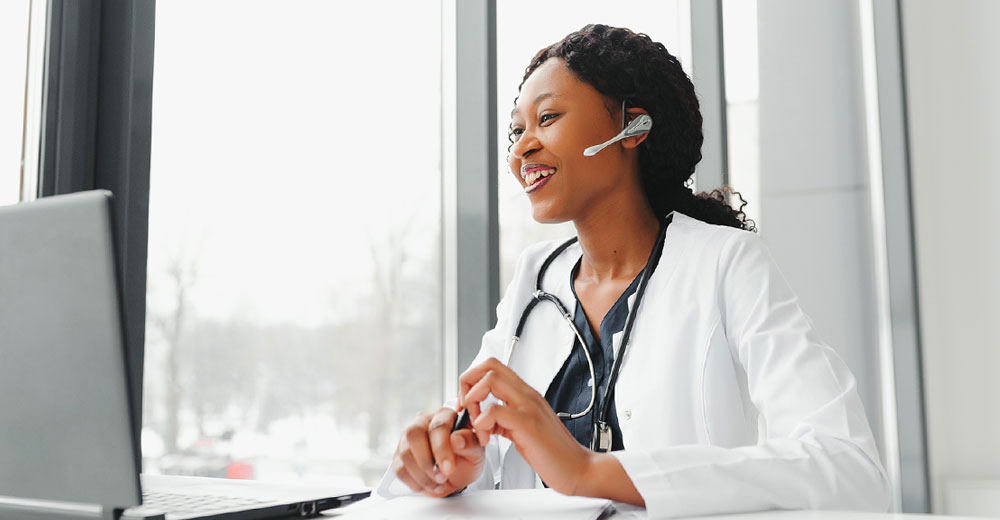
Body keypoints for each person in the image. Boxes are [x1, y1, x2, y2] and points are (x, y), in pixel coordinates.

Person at [377, 24, 890, 518]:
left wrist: (590, 472)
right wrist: (445, 463)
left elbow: (849, 468)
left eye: (548, 118)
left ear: (632, 127)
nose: (521, 148)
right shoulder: (536, 275)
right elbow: (483, 458)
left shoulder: (725, 263)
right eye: (516, 130)